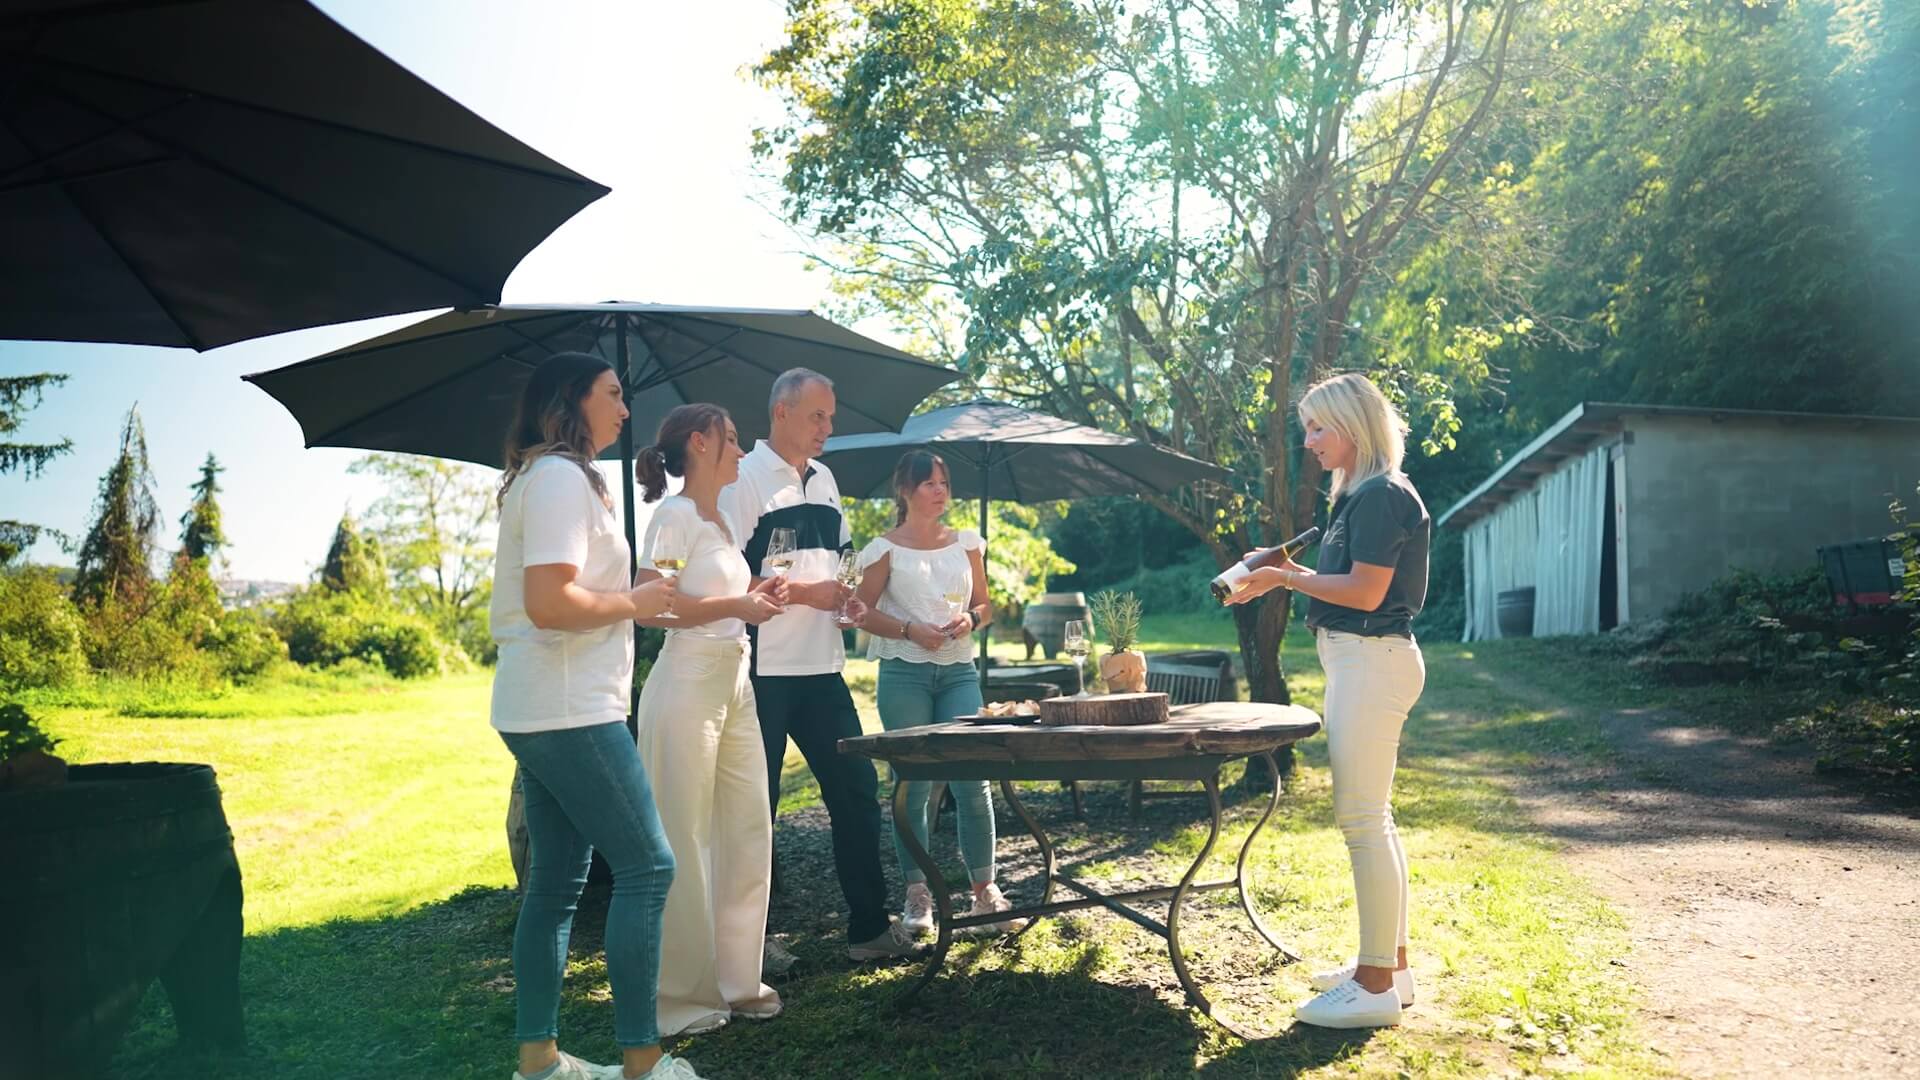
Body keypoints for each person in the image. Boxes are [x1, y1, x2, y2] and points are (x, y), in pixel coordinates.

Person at [488, 352, 703, 1080]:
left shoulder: (552, 480)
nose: (624, 409)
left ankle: (540, 1062)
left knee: (555, 884)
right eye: (612, 394)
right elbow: (551, 603)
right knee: (649, 865)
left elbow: (574, 589)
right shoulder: (556, 479)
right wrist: (635, 605)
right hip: (568, 708)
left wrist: (635, 590)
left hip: (543, 704)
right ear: (572, 401)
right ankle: (644, 1062)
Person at [1225, 372, 1430, 1030]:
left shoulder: (1378, 495)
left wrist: (1282, 576)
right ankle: (1388, 970)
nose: (1308, 440)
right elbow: (1339, 578)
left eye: (1318, 427)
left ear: (1354, 425)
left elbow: (1366, 594)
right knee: (1376, 820)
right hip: (1364, 662)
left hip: (1372, 660)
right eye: (1305, 427)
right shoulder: (1359, 497)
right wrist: (1276, 571)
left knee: (1362, 823)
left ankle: (1372, 988)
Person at [723, 367, 922, 962]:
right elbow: (727, 575)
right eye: (818, 416)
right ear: (781, 413)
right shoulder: (745, 479)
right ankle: (746, 946)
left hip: (822, 666)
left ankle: (867, 929)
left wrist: (849, 599)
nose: (827, 428)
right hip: (761, 669)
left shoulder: (827, 479)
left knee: (857, 791)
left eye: (830, 417)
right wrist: (808, 595)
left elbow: (840, 566)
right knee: (754, 807)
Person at [631, 404, 788, 1036]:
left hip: (736, 682)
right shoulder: (672, 515)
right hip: (687, 684)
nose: (742, 451)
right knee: (685, 838)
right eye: (731, 439)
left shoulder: (720, 521)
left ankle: (736, 982)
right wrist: (737, 602)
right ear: (699, 444)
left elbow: (725, 602)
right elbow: (652, 607)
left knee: (748, 829)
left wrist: (759, 598)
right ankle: (681, 1000)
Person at [854, 450, 1023, 936]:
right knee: (916, 785)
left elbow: (985, 605)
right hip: (903, 674)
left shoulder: (966, 543)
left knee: (974, 780)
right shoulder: (883, 549)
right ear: (905, 490)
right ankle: (918, 896)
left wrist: (970, 619)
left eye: (944, 482)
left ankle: (984, 893)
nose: (940, 490)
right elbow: (859, 610)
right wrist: (908, 630)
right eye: (929, 482)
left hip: (958, 671)